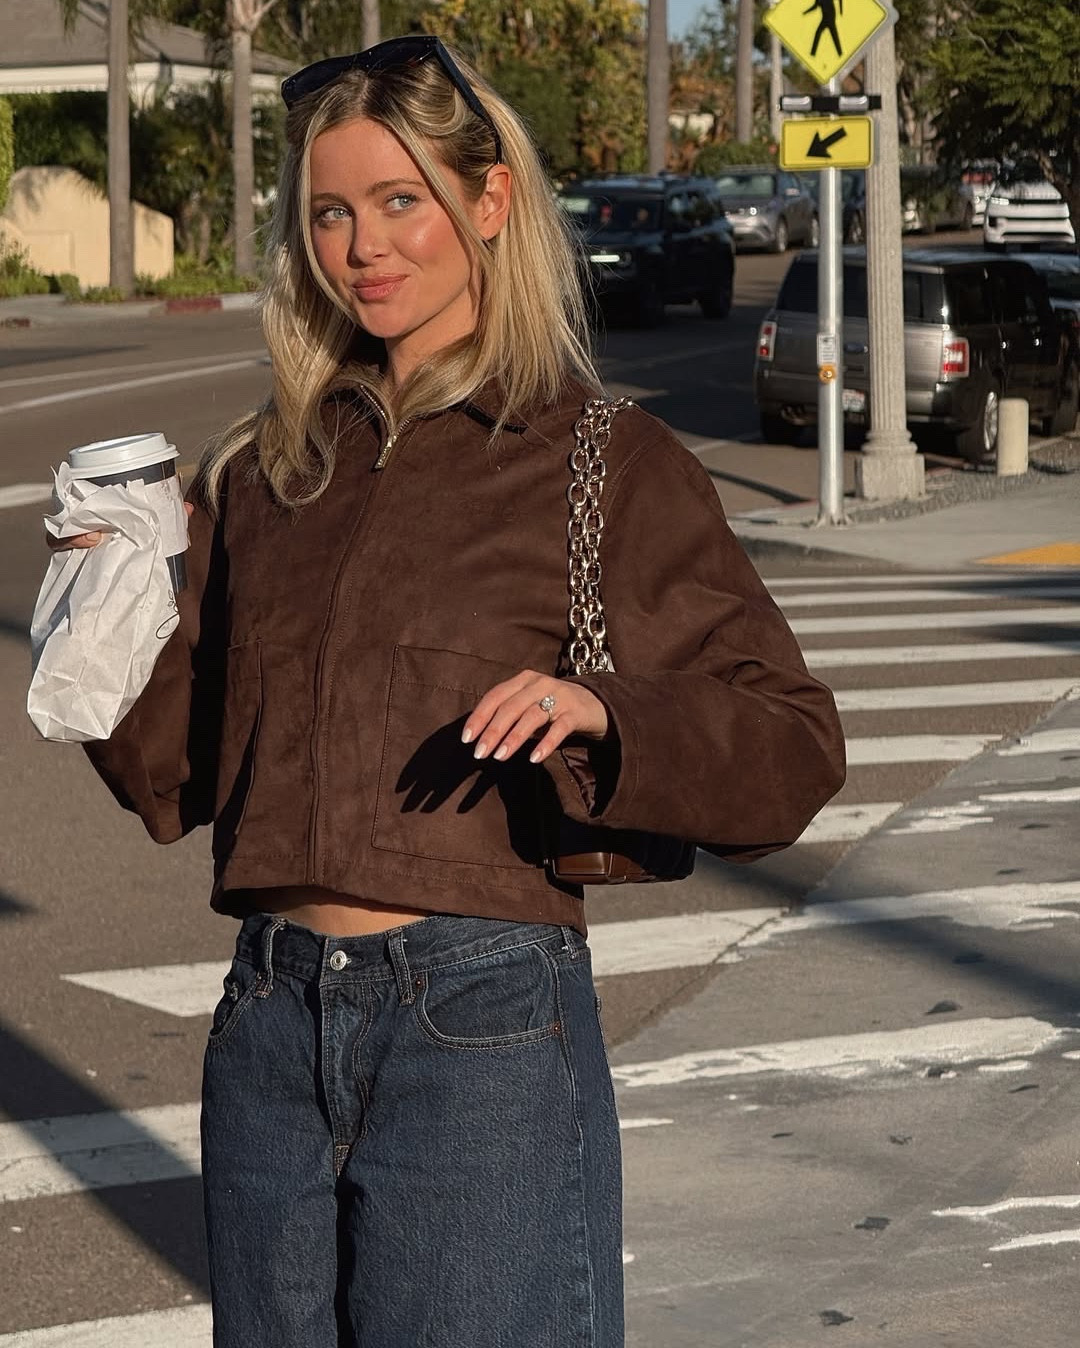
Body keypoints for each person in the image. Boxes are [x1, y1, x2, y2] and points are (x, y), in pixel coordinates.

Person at [51, 34, 845, 1348]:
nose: (362, 247)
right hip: (264, 1030)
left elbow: (791, 744)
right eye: (329, 214)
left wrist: (609, 716)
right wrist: (106, 613)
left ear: (488, 204)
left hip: (478, 1026)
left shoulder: (603, 457)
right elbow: (175, 780)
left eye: (400, 202)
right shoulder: (267, 473)